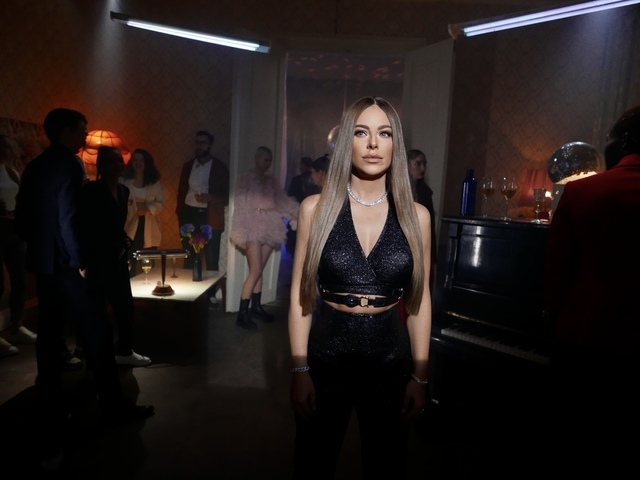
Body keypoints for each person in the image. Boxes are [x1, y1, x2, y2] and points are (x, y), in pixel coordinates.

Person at [288, 96, 432, 479]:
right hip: (326, 355)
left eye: (384, 134)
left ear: (395, 143)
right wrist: (299, 369)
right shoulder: (315, 209)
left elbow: (419, 303)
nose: (372, 144)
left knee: (387, 466)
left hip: (390, 358)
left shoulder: (417, 217)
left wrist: (420, 376)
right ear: (346, 143)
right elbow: (301, 298)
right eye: (361, 133)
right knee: (312, 465)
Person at [13, 108, 154, 465]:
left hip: (43, 262)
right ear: (65, 132)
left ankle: (51, 399)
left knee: (49, 331)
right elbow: (68, 216)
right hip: (66, 263)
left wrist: (39, 246)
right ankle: (112, 406)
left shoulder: (36, 165)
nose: (85, 137)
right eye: (81, 130)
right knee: (97, 331)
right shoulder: (70, 165)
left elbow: (22, 215)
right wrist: (79, 260)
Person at [544, 105, 640, 476]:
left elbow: (556, 275)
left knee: (579, 442)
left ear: (624, 142)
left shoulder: (581, 192)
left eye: (609, 140)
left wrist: (551, 323)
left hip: (584, 339)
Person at [81, 146, 151, 367]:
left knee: (125, 306)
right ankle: (94, 353)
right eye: (113, 162)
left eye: (120, 161)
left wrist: (124, 240)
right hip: (98, 257)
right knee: (97, 307)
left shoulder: (123, 191)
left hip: (117, 256)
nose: (119, 165)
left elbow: (116, 224)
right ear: (102, 166)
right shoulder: (91, 190)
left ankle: (124, 350)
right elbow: (86, 226)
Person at [230, 146, 299, 330]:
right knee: (255, 270)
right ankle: (242, 314)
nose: (267, 163)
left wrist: (296, 215)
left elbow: (282, 201)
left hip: (271, 224)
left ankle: (256, 308)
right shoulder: (245, 179)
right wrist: (240, 233)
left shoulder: (272, 180)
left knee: (259, 270)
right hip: (252, 225)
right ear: (257, 158)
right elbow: (240, 207)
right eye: (265, 159)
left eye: (270, 160)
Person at [176, 130, 229, 307]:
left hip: (209, 216)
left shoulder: (219, 167)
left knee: (211, 258)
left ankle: (211, 295)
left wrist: (210, 197)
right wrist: (180, 214)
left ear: (210, 145)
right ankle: (186, 293)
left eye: (203, 143)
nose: (199, 146)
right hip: (189, 214)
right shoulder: (188, 166)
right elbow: (181, 191)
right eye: (196, 142)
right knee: (189, 256)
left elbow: (227, 195)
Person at [0, 134, 36, 357]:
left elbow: (22, 197)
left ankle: (16, 325)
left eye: (12, 147)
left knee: (20, 280)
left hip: (14, 229)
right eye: (7, 146)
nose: (12, 150)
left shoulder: (11, 171)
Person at [121, 148, 166, 277]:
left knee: (148, 262)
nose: (138, 163)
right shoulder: (124, 181)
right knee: (129, 260)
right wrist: (131, 206)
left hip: (148, 225)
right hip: (129, 224)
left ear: (146, 163)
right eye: (135, 160)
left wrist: (147, 208)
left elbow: (161, 202)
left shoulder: (154, 183)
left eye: (141, 160)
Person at [407, 149, 437, 289]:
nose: (423, 168)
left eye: (424, 164)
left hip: (422, 245)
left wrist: (432, 255)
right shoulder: (397, 189)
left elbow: (430, 226)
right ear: (407, 165)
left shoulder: (425, 192)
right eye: (418, 164)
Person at [286, 156, 317, 255]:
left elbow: (290, 196)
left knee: (295, 244)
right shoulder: (315, 179)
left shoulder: (297, 179)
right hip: (312, 213)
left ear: (303, 165)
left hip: (298, 212)